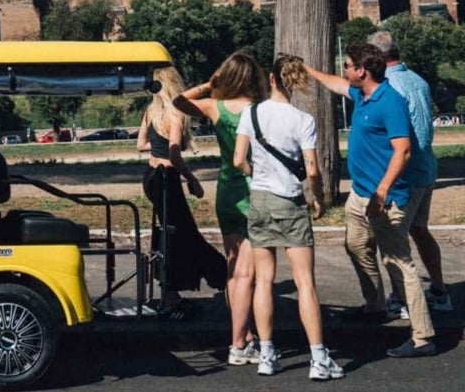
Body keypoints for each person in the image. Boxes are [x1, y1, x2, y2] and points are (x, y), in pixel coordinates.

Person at [307, 42, 438, 358]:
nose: (345, 71)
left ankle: (423, 337)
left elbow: (403, 150)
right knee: (356, 245)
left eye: (349, 65)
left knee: (398, 263)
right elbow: (337, 85)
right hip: (360, 194)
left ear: (362, 70)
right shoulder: (362, 95)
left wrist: (382, 192)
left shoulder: (389, 100)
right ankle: (375, 305)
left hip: (385, 197)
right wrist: (306, 70)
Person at [232, 54, 343, 380]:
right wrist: (319, 197)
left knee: (263, 281)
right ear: (293, 81)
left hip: (261, 201)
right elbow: (311, 168)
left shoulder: (250, 114)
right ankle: (319, 359)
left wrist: (257, 175)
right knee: (305, 282)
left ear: (271, 78)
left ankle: (267, 354)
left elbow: (239, 158)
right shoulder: (302, 119)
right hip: (291, 202)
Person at [176, 51, 265, 365]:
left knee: (234, 270)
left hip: (227, 190)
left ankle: (246, 334)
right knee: (247, 273)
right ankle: (239, 342)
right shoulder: (260, 110)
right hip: (253, 189)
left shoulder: (215, 107)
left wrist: (208, 84)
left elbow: (178, 101)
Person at [368, 30, 452, 317]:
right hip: (426, 167)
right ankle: (439, 290)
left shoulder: (387, 88)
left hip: (404, 173)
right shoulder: (418, 80)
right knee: (419, 230)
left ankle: (402, 300)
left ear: (376, 57)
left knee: (394, 240)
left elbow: (397, 141)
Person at [138, 65, 226, 319]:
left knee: (171, 231)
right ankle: (218, 273)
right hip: (167, 178)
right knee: (183, 231)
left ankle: (171, 292)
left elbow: (140, 144)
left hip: (151, 177)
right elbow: (175, 153)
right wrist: (192, 179)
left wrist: (157, 148)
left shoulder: (150, 112)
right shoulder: (176, 115)